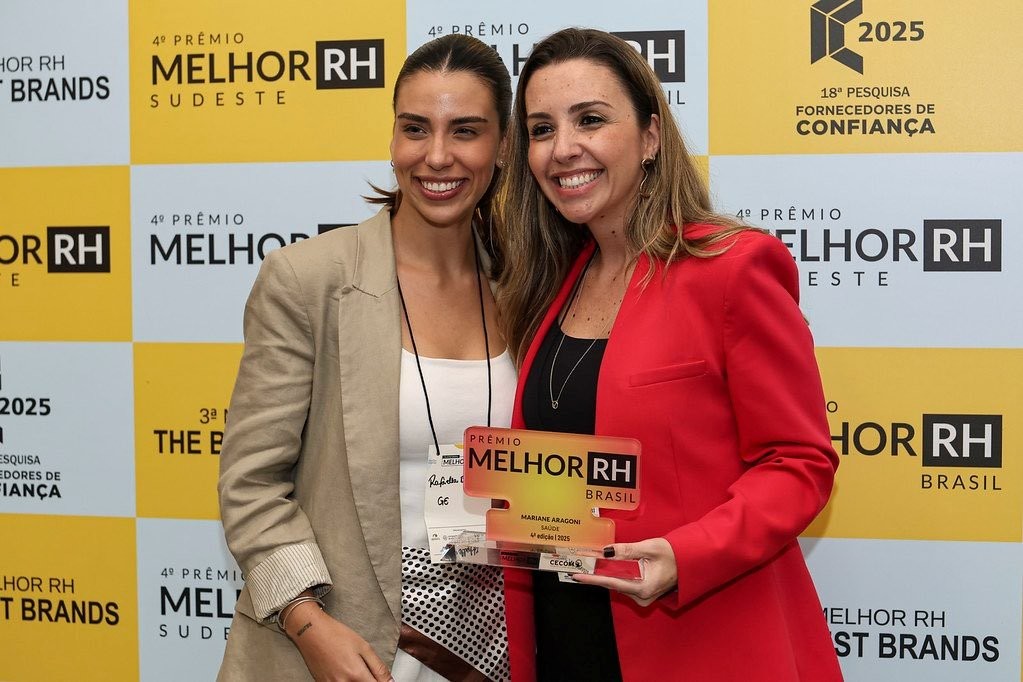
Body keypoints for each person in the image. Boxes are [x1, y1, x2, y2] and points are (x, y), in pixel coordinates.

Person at [495, 28, 842, 681]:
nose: (562, 148)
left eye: (590, 119)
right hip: (566, 639)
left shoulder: (731, 269)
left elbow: (799, 463)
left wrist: (684, 556)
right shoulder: (552, 283)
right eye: (541, 129)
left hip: (700, 644)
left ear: (650, 136)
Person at [217, 34, 514, 682]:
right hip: (341, 652)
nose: (437, 155)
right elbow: (250, 483)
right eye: (415, 128)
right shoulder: (310, 280)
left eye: (465, 130)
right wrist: (307, 623)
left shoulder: (527, 288)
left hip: (489, 654)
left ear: (502, 147)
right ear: (392, 138)